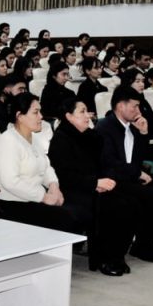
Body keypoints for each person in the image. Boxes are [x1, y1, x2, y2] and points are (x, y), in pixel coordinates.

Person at [48, 98, 133, 276]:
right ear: (69, 116)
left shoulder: (91, 136)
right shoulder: (61, 139)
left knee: (127, 200)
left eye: (87, 111)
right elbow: (64, 176)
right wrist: (94, 183)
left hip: (95, 184)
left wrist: (105, 179)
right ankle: (103, 258)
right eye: (82, 112)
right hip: (72, 189)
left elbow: (106, 162)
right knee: (109, 205)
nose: (88, 116)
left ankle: (117, 255)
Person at [95, 86, 153, 263]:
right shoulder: (104, 127)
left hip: (130, 177)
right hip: (114, 179)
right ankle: (143, 245)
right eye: (134, 106)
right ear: (121, 106)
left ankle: (147, 242)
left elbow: (141, 157)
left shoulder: (132, 126)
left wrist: (143, 133)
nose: (138, 111)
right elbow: (109, 162)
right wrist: (137, 173)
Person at [0, 92, 80, 233]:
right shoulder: (7, 141)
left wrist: (53, 186)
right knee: (67, 218)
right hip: (12, 203)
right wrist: (43, 197)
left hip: (33, 198)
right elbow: (10, 182)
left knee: (77, 208)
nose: (41, 117)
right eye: (36, 112)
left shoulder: (33, 139)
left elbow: (46, 167)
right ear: (20, 116)